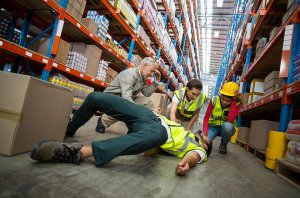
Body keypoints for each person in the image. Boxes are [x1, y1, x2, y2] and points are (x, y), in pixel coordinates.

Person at [30, 92, 211, 176]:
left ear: (206, 146)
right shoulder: (186, 130)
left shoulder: (198, 149)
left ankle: (76, 152)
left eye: (207, 139)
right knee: (96, 98)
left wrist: (186, 162)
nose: (205, 134)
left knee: (160, 134)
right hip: (149, 117)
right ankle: (68, 130)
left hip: (155, 132)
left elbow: (193, 156)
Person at [66, 57, 161, 136]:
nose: (152, 74)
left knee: (148, 103)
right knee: (129, 108)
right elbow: (126, 99)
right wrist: (143, 111)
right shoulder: (130, 74)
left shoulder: (142, 77)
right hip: (111, 99)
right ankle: (74, 126)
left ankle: (136, 130)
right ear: (144, 66)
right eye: (152, 71)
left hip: (123, 100)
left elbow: (147, 93)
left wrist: (157, 80)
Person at [201, 82, 242, 154]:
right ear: (220, 95)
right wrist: (204, 133)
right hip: (213, 127)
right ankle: (210, 138)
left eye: (228, 101)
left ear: (233, 99)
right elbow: (206, 118)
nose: (225, 102)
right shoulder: (214, 100)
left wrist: (234, 102)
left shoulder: (237, 104)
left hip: (226, 128)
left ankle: (224, 143)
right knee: (206, 142)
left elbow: (230, 119)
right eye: (223, 99)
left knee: (228, 127)